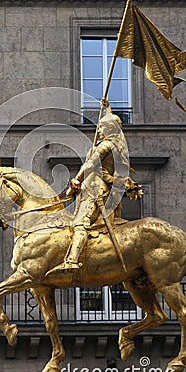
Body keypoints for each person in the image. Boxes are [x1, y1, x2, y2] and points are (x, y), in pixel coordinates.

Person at [47, 101, 131, 274]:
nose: (98, 131)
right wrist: (108, 109)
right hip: (95, 187)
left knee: (80, 223)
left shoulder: (106, 145)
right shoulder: (114, 145)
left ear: (109, 130)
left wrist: (76, 180)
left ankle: (72, 261)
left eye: (102, 128)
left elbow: (90, 165)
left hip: (96, 189)